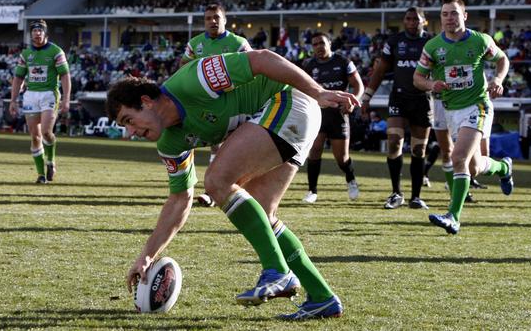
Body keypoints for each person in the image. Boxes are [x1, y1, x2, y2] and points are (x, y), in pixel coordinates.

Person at [108, 50, 359, 320]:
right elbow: (180, 199)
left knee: (217, 181)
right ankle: (321, 298)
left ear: (146, 102)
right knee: (263, 212)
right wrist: (147, 256)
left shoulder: (192, 81)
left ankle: (277, 272)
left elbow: (260, 58)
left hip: (291, 100)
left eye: (128, 121)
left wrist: (318, 91)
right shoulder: (169, 144)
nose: (130, 132)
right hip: (285, 121)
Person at [414, 0, 514, 235]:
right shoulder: (433, 47)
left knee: (457, 158)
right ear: (440, 18)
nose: (449, 18)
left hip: (477, 105)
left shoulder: (480, 40)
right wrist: (431, 85)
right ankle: (503, 168)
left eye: (454, 13)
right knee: (475, 167)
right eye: (445, 14)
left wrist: (498, 79)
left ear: (464, 16)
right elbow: (417, 78)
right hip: (451, 111)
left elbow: (503, 60)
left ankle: (453, 217)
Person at [179, 3, 252, 207]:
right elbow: (183, 67)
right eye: (208, 18)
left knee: (229, 148)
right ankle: (204, 190)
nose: (212, 21)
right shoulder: (195, 44)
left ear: (225, 20)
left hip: (235, 104)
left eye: (216, 17)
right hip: (205, 104)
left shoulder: (238, 43)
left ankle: (219, 190)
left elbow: (254, 67)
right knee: (207, 145)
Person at [363, 7, 432, 210]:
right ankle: (396, 193)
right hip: (399, 98)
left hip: (422, 100)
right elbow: (380, 70)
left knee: (419, 149)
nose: (411, 22)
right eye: (408, 19)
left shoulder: (433, 43)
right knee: (394, 142)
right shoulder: (394, 42)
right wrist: (367, 97)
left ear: (423, 21)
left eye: (415, 19)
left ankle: (416, 197)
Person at [302, 32, 363, 203]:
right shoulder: (309, 66)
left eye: (321, 43)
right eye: (314, 44)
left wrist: (353, 101)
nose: (318, 47)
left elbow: (358, 86)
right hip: (318, 115)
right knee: (314, 151)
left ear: (329, 43)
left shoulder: (343, 62)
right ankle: (312, 191)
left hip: (338, 116)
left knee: (341, 158)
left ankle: (351, 180)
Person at [10, 19, 71, 184]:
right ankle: (41, 175)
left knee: (46, 132)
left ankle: (50, 161)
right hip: (30, 95)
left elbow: (65, 76)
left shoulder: (56, 51)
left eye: (40, 31)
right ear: (31, 35)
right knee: (35, 137)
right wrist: (13, 100)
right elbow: (18, 77)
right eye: (34, 31)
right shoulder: (26, 54)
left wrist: (66, 99)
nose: (37, 33)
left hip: (49, 94)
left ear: (45, 33)